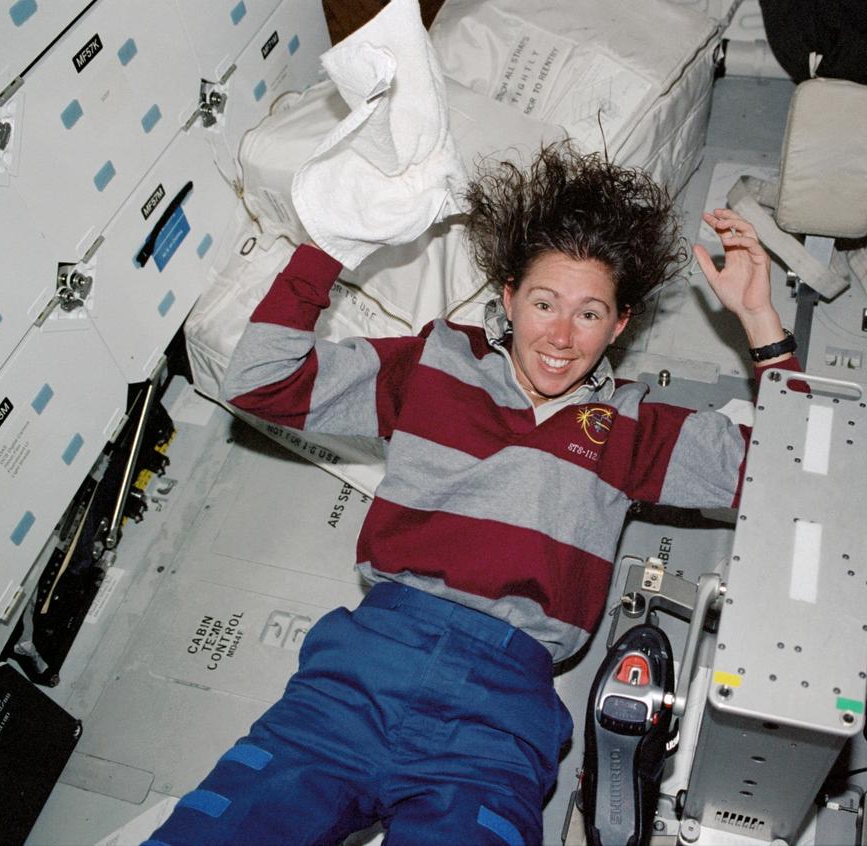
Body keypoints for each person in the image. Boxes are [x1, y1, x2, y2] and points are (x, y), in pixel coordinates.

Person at [147, 144, 798, 846]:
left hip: (499, 718)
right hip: (358, 678)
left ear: (619, 325)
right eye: (544, 303)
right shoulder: (436, 362)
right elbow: (261, 382)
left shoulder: (635, 427)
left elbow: (792, 470)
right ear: (510, 296)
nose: (559, 335)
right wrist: (328, 245)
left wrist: (760, 320)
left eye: (589, 314)